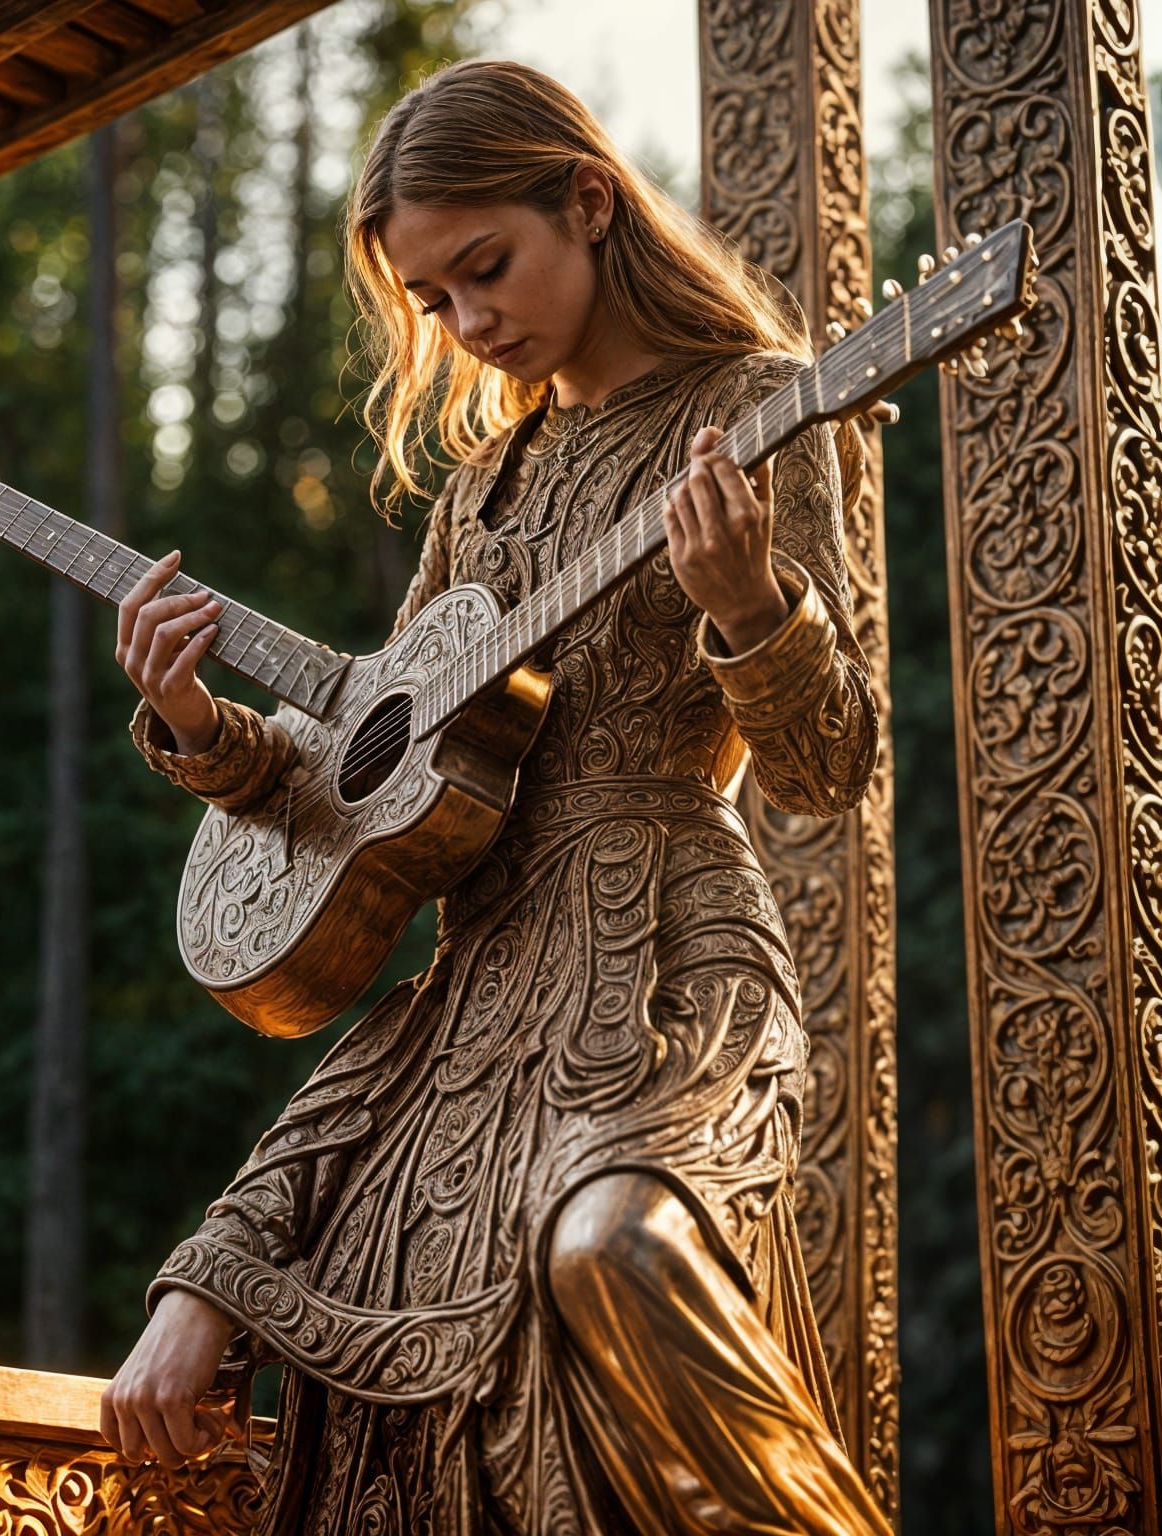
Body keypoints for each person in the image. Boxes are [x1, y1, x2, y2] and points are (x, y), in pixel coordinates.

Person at [101, 57, 891, 1536]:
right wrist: (203, 729)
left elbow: (826, 769)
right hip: (477, 990)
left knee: (613, 1247)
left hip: (669, 953)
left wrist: (752, 613)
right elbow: (370, 776)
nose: (468, 324)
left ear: (589, 201)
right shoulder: (484, 486)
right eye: (433, 299)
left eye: (485, 268)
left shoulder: (760, 409)